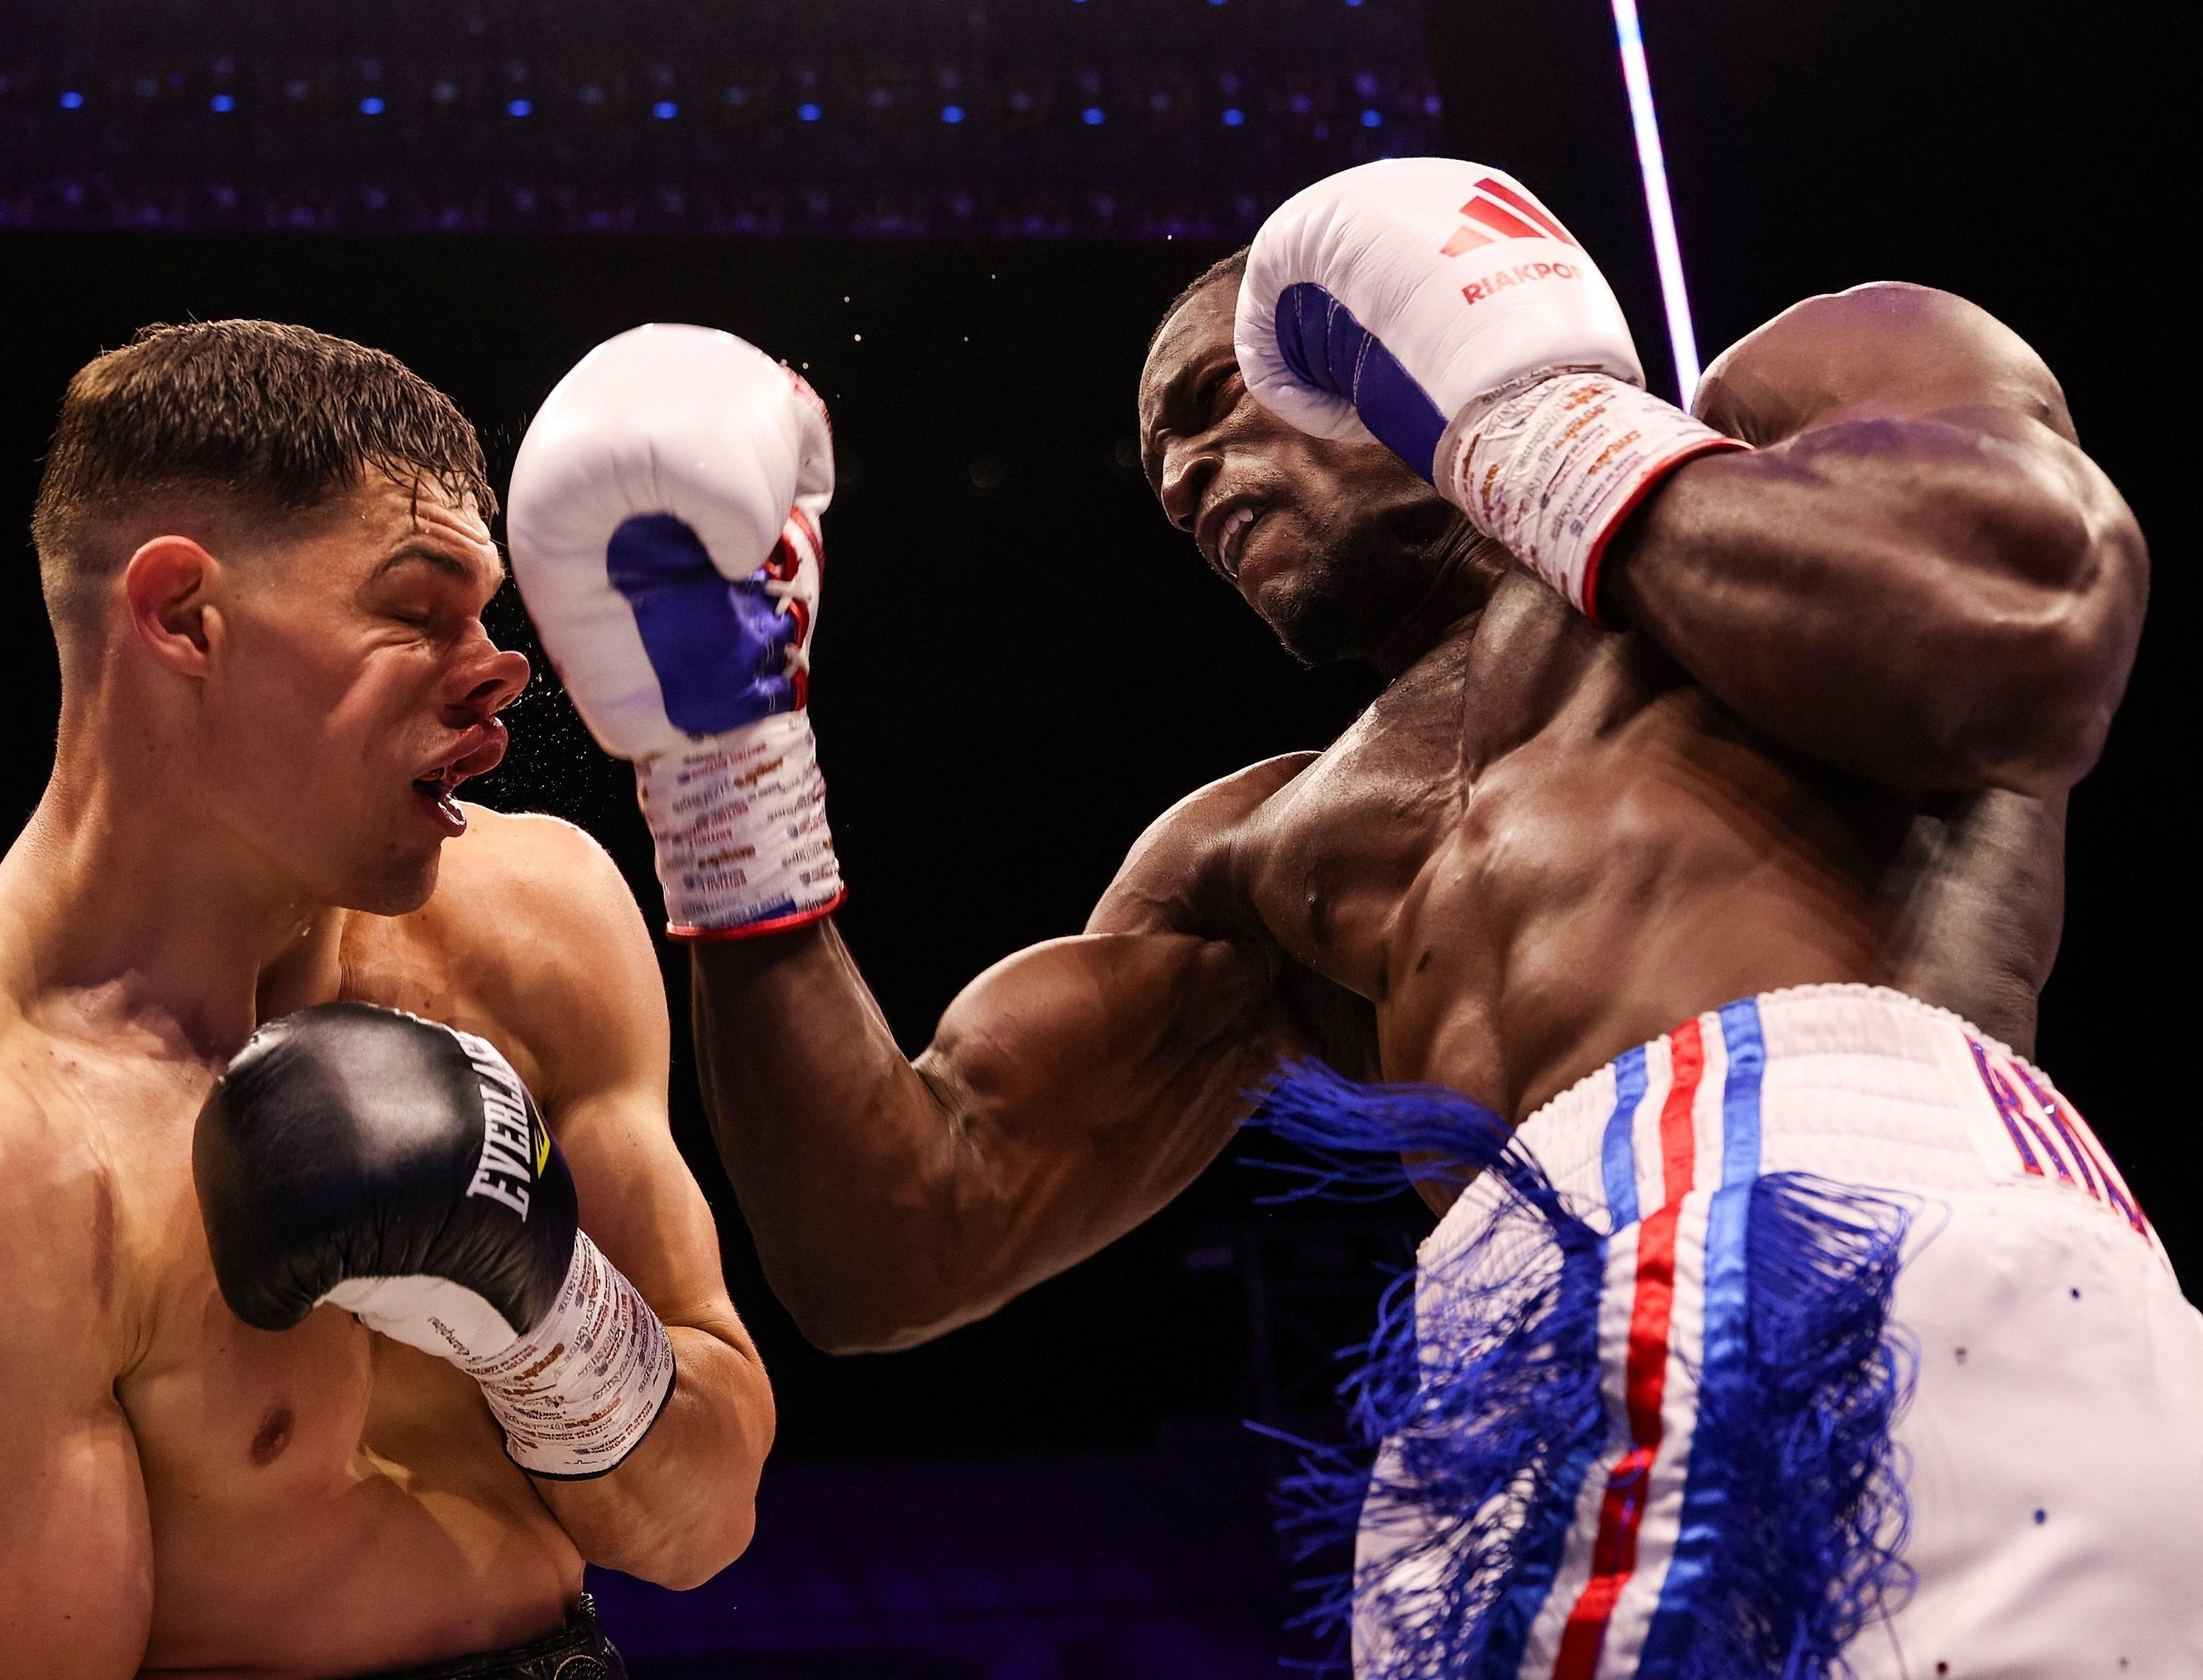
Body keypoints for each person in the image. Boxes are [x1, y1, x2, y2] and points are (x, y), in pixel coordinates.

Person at [505, 161, 2200, 1676]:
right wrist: (725, 773)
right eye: (1159, 462)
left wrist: (1538, 420)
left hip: (1853, 1210)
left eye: (1217, 401)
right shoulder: (1261, 851)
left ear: (1378, 338)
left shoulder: (1799, 407)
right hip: (1498, 1380)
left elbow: (2021, 631)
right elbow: (898, 1242)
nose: (1181, 474)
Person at [0, 321, 774, 1680]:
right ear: (182, 614)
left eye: (487, 616)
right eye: (418, 609)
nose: (496, 673)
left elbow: (704, 1522)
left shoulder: (536, 921)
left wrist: (545, 1307)